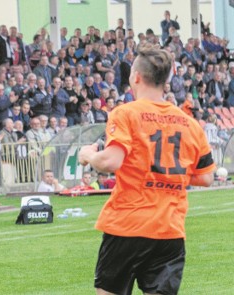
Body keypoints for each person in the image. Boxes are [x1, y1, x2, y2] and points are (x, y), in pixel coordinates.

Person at [78, 44, 215, 295]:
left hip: (128, 225)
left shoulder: (126, 113)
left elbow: (110, 162)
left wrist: (88, 155)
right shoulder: (189, 123)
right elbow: (206, 177)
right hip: (169, 229)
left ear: (136, 77)